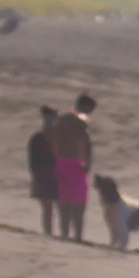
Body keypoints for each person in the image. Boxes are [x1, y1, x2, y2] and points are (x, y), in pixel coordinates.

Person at [48, 94, 96, 241]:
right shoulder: (80, 121)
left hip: (59, 163)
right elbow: (86, 143)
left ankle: (64, 234)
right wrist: (88, 163)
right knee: (79, 204)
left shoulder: (61, 120)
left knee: (64, 202)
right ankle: (78, 236)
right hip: (74, 164)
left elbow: (52, 140)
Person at [27, 105, 59, 235]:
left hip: (56, 175)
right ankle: (49, 232)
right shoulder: (38, 139)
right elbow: (33, 162)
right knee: (48, 207)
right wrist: (36, 178)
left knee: (60, 207)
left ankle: (60, 233)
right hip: (44, 176)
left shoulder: (59, 139)